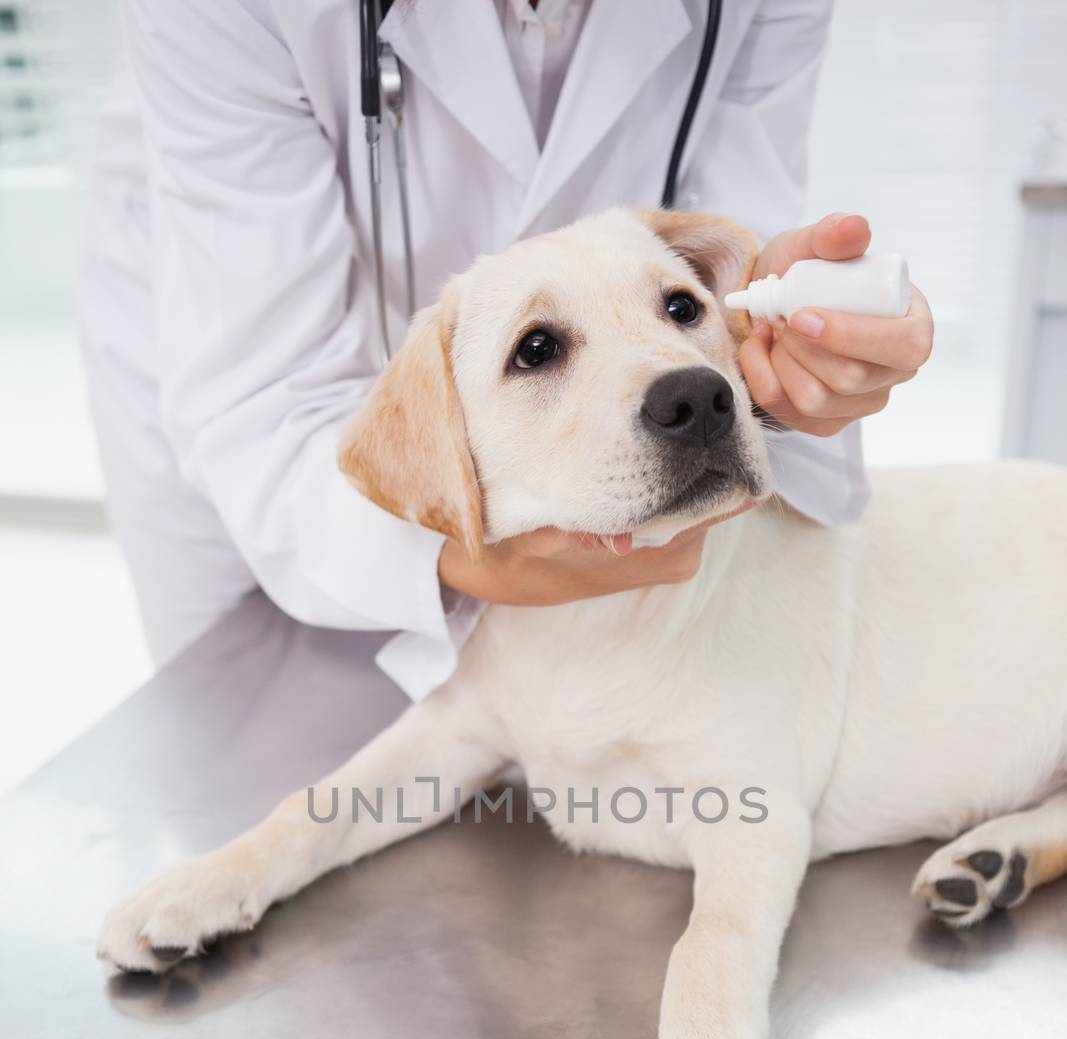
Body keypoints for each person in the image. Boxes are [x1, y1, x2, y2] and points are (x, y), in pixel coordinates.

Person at [80, 0, 933, 700]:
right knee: (270, 745)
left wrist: (785, 351)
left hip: (601, 433)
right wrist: (451, 548)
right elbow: (265, 391)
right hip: (266, 418)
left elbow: (737, 258)